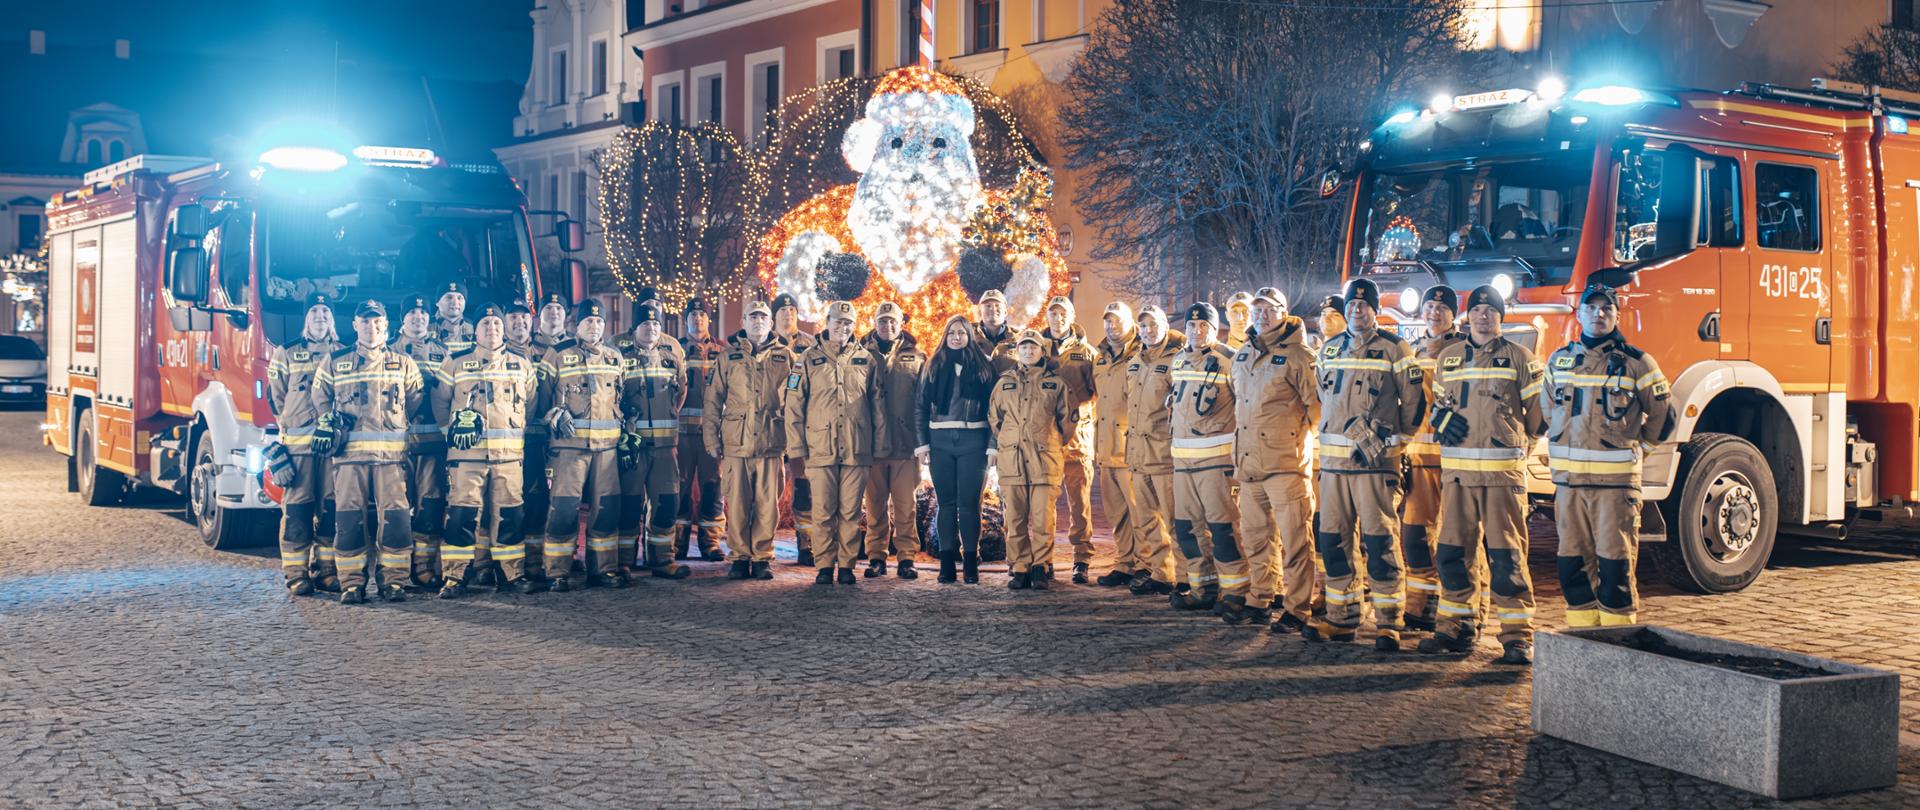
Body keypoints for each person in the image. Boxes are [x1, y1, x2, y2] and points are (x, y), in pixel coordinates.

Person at [1417, 285, 1546, 665]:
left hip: (1501, 478)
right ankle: (1455, 629)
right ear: (1467, 316)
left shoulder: (1521, 358)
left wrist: (1518, 450)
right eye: (1476, 310)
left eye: (1490, 311)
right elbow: (1439, 404)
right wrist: (1441, 419)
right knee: (1453, 555)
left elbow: (1537, 419)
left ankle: (1517, 637)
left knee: (1506, 558)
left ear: (1500, 317)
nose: (1483, 316)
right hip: (1457, 477)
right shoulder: (1449, 357)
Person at [1546, 282, 1674, 628]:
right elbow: (1548, 411)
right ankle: (1582, 634)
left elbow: (1664, 416)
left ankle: (1619, 641)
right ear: (1580, 313)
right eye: (1591, 307)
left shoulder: (1637, 363)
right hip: (1569, 486)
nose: (1598, 314)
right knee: (1571, 563)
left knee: (1615, 563)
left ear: (1617, 315)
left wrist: (1641, 449)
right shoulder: (1559, 361)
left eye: (1606, 308)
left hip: (1615, 487)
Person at [1307, 278, 1423, 651]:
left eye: (1364, 305)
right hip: (1335, 469)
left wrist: (1395, 445)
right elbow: (1323, 395)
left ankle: (1390, 622)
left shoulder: (1395, 348)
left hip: (1374, 466)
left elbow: (1415, 404)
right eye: (1352, 306)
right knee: (1335, 541)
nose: (1357, 311)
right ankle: (1342, 618)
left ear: (1375, 310)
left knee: (1380, 541)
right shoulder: (1329, 349)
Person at [312, 299, 425, 604]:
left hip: (391, 459)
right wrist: (331, 423)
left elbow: (414, 400)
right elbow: (319, 397)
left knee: (397, 522)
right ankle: (351, 582)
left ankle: (394, 582)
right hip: (349, 459)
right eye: (365, 321)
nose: (371, 327)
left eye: (377, 322)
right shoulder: (335, 361)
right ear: (355, 325)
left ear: (386, 326)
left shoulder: (403, 363)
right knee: (348, 522)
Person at [432, 302, 540, 596]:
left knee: (509, 517)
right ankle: (455, 577)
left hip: (509, 457)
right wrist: (450, 433)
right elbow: (439, 403)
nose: (491, 329)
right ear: (475, 331)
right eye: (485, 325)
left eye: (496, 325)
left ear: (503, 330)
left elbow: (531, 404)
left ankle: (511, 575)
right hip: (466, 458)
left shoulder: (522, 364)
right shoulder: (454, 363)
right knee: (462, 517)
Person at [1231, 287, 1321, 630]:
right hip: (1250, 464)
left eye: (1269, 310)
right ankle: (1260, 598)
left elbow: (1316, 407)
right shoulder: (1243, 354)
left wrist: (1299, 444)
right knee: (1255, 537)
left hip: (1286, 465)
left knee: (1296, 540)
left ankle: (1298, 608)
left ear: (1284, 312)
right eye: (1258, 310)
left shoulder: (1299, 355)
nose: (1262, 316)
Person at [536, 300, 628, 591]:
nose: (594, 326)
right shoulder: (558, 354)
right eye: (588, 321)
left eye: (599, 322)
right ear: (576, 325)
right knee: (564, 508)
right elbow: (540, 398)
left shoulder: (615, 357)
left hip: (607, 449)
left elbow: (621, 398)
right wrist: (553, 414)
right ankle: (557, 571)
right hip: (569, 447)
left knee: (606, 509)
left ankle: (603, 569)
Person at [786, 301, 878, 586]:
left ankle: (847, 565)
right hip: (820, 447)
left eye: (848, 323)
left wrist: (879, 445)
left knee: (851, 510)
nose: (843, 327)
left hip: (856, 446)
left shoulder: (866, 360)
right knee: (823, 510)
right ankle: (825, 564)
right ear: (827, 322)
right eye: (838, 322)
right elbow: (793, 404)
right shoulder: (808, 359)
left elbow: (877, 406)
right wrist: (796, 449)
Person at [708, 301, 795, 581]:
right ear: (743, 322)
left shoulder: (786, 357)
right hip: (737, 443)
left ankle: (761, 558)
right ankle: (739, 557)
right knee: (738, 504)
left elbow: (797, 401)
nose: (758, 322)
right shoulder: (727, 357)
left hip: (772, 441)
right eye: (752, 317)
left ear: (771, 324)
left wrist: (795, 441)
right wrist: (711, 438)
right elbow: (713, 400)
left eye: (763, 317)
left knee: (768, 504)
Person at [989, 329, 1076, 591]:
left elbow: (1068, 420)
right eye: (1024, 347)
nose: (1028, 351)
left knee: (1042, 518)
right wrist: (1010, 439)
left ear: (1042, 351)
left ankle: (1041, 566)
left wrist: (1050, 441)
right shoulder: (1004, 382)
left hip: (1043, 459)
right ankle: (1020, 567)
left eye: (1033, 347)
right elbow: (995, 419)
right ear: (1017, 351)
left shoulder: (1056, 383)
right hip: (1012, 459)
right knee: (1014, 518)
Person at [268, 292, 343, 595]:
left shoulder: (343, 353)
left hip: (333, 449)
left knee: (331, 509)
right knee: (297, 511)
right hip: (299, 448)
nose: (320, 317)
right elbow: (276, 399)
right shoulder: (285, 353)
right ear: (306, 318)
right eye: (314, 311)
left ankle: (326, 571)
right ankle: (296, 573)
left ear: (332, 319)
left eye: (325, 312)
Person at [1402, 285, 1466, 632]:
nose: (1435, 312)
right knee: (1414, 537)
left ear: (1453, 314)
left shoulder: (1466, 351)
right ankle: (1419, 607)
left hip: (1455, 460)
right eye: (1430, 306)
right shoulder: (1411, 352)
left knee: (1457, 539)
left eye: (1442, 307)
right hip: (1418, 459)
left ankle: (1466, 613)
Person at [915, 314, 996, 584]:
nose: (956, 337)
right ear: (945, 336)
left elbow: (995, 409)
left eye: (961, 333)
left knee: (970, 504)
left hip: (974, 440)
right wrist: (922, 444)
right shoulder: (933, 366)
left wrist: (992, 446)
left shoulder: (984, 367)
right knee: (946, 504)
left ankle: (971, 561)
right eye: (951, 333)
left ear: (970, 336)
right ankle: (947, 563)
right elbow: (920, 406)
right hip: (940, 441)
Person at [1167, 303, 1235, 612]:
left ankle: (1235, 592)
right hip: (1183, 461)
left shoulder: (1229, 361)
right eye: (1192, 326)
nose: (1196, 331)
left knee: (1222, 529)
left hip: (1216, 461)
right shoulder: (1178, 361)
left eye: (1203, 326)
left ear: (1215, 328)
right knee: (1186, 528)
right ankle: (1202, 587)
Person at [619, 301, 692, 580]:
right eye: (645, 324)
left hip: (665, 447)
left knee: (666, 502)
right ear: (635, 328)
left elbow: (681, 391)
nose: (650, 329)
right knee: (629, 504)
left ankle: (662, 559)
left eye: (655, 325)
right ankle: (624, 560)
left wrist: (672, 414)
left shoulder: (671, 357)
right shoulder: (621, 356)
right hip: (634, 448)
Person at [1121, 305, 1184, 596]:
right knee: (1147, 520)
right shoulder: (1135, 361)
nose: (1148, 331)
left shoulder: (1176, 359)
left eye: (1153, 325)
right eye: (1143, 326)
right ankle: (1163, 573)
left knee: (1174, 519)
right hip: (1138, 453)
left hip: (1163, 453)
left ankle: (1186, 577)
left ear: (1164, 325)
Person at [862, 301, 925, 579]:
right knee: (874, 506)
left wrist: (923, 442)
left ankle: (906, 557)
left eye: (892, 321)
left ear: (902, 324)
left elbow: (924, 403)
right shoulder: (861, 354)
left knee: (905, 506)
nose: (887, 326)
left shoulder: (917, 357)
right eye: (882, 321)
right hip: (872, 445)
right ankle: (876, 556)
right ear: (875, 323)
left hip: (904, 444)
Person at [393, 294, 452, 589]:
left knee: (430, 507)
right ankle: (397, 571)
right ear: (402, 319)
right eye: (412, 312)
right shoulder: (389, 351)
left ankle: (425, 568)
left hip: (431, 444)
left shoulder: (444, 353)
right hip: (396, 445)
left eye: (423, 312)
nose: (418, 317)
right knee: (397, 511)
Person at [512, 293, 570, 583]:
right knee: (530, 499)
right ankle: (531, 561)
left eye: (559, 309)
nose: (554, 314)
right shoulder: (526, 348)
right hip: (529, 438)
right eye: (548, 309)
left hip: (562, 438)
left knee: (560, 501)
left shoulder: (573, 347)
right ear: (539, 317)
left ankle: (558, 560)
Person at [1040, 296, 1098, 583]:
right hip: (1046, 438)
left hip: (1078, 440)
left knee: (1079, 503)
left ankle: (1082, 557)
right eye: (1053, 313)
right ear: (1047, 316)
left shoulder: (1087, 353)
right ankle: (1044, 557)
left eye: (1063, 314)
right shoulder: (1035, 349)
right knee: (1045, 503)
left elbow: (1098, 395)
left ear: (1071, 316)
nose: (1058, 318)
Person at [1090, 302, 1141, 587]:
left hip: (1132, 448)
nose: (1112, 326)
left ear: (1130, 322)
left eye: (1117, 321)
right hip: (1107, 448)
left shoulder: (1141, 352)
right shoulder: (1100, 358)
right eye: (1108, 322)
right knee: (1117, 513)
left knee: (1141, 512)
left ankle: (1147, 565)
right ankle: (1125, 563)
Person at [676, 299, 729, 561]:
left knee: (712, 488)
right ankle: (678, 543)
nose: (697, 319)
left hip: (711, 436)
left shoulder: (723, 351)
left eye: (702, 314)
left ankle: (710, 543)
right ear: (686, 319)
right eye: (693, 314)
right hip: (682, 435)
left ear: (709, 319)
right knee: (680, 488)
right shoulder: (675, 349)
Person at [772, 293, 818, 567]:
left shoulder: (810, 345)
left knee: (804, 488)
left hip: (802, 427)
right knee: (769, 491)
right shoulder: (766, 343)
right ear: (774, 315)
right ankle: (761, 546)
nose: (788, 314)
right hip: (774, 426)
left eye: (792, 309)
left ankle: (806, 545)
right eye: (782, 310)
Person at [974, 289, 1019, 374]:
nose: (993, 309)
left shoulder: (1019, 338)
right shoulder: (968, 336)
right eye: (988, 306)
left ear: (1005, 311)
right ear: (980, 312)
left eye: (997, 305)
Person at [432, 282, 475, 353]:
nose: (455, 302)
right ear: (437, 302)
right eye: (449, 297)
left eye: (459, 298)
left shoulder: (475, 328)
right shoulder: (424, 327)